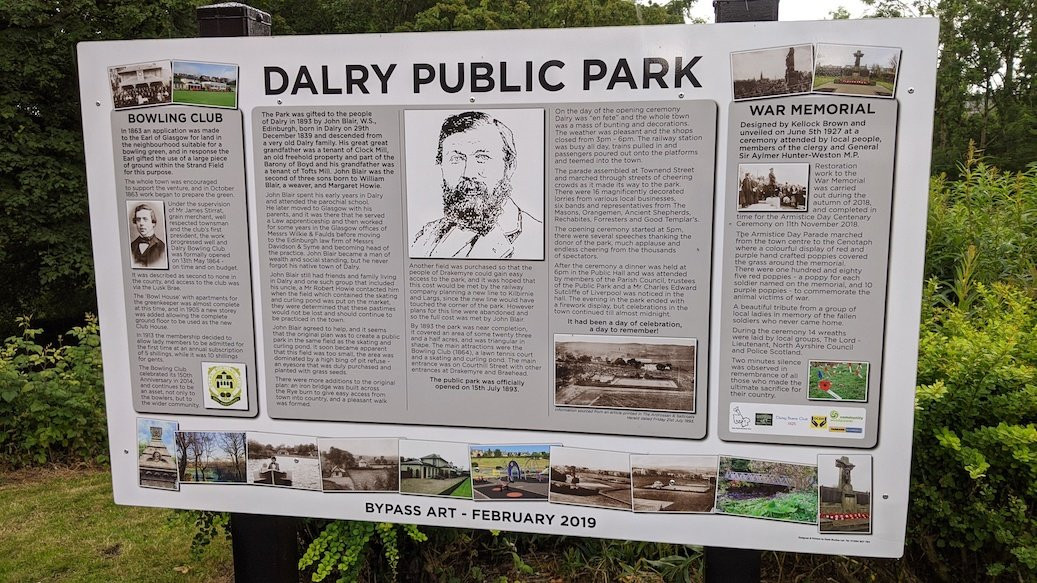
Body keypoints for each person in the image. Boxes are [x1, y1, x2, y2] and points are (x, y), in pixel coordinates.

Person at [410, 111, 543, 259]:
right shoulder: (427, 236)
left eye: (482, 157)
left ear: (509, 167)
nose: (469, 172)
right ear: (441, 165)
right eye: (456, 158)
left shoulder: (538, 237)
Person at [130, 203, 167, 268]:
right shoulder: (131, 246)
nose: (141, 223)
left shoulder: (163, 248)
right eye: (138, 219)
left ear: (153, 223)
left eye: (145, 219)